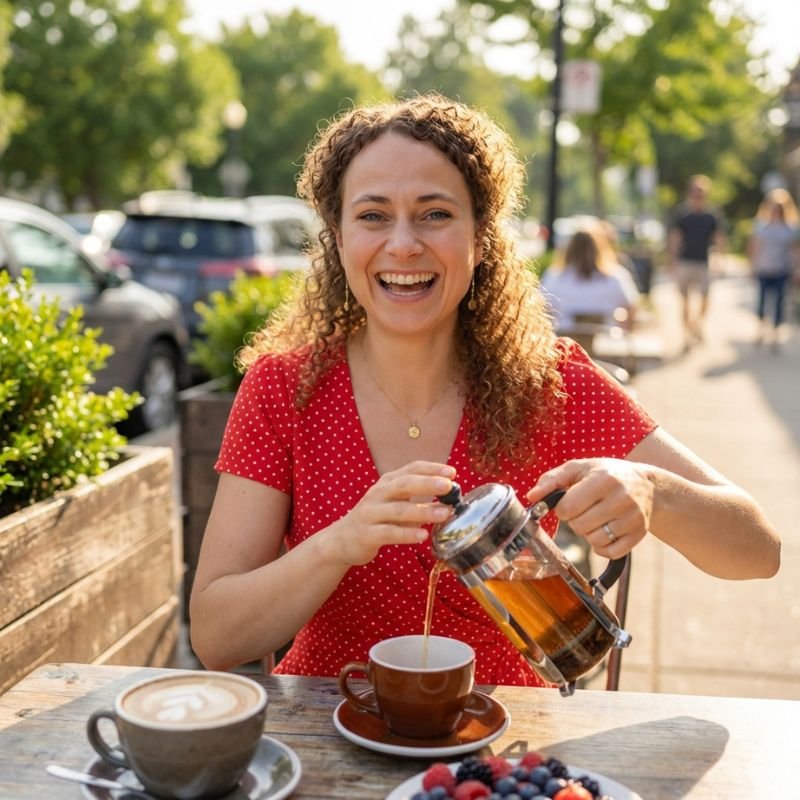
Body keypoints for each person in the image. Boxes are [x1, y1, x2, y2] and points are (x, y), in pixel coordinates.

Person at [189, 94, 780, 687]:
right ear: (338, 240)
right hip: (324, 735)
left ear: (481, 238)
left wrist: (654, 490)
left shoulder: (551, 383)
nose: (402, 244)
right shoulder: (281, 388)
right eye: (372, 215)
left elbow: (759, 550)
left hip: (505, 748)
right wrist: (336, 544)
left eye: (435, 214)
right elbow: (215, 637)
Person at [540, 221, 641, 331]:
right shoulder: (616, 277)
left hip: (564, 342)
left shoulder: (553, 277)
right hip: (606, 340)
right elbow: (632, 308)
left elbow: (542, 308)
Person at [666, 175, 727, 347]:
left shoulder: (712, 215)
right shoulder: (682, 213)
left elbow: (718, 237)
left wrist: (720, 258)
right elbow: (675, 237)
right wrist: (672, 260)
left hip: (703, 261)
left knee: (706, 298)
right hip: (685, 261)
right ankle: (686, 333)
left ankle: (697, 324)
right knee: (684, 300)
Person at [746, 188, 800, 350]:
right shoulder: (761, 226)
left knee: (779, 303)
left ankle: (775, 333)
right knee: (762, 301)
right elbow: (754, 247)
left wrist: (797, 269)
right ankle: (761, 329)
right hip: (764, 268)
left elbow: (795, 250)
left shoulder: (791, 228)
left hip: (782, 269)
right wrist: (752, 266)